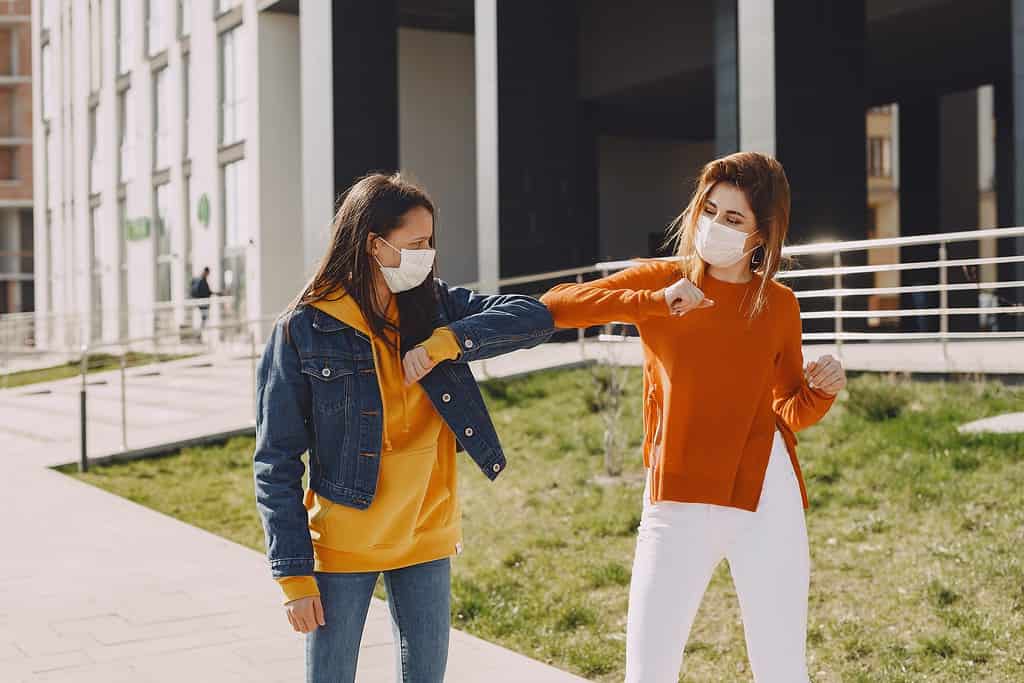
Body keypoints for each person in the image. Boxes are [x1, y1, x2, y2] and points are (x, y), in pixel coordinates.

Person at [540, 152, 847, 682]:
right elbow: (558, 305)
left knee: (781, 669)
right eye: (709, 209)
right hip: (675, 501)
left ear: (761, 234)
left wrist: (820, 391)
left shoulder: (777, 305)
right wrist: (656, 302)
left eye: (733, 218)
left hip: (764, 500)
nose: (715, 225)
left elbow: (787, 408)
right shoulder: (664, 281)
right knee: (648, 671)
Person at [253, 173, 554, 683]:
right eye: (415, 243)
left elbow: (534, 318)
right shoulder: (303, 328)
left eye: (430, 242)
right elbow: (275, 461)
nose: (427, 254)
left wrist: (447, 342)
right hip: (345, 540)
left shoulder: (432, 306)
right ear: (375, 244)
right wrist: (293, 577)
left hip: (427, 532)